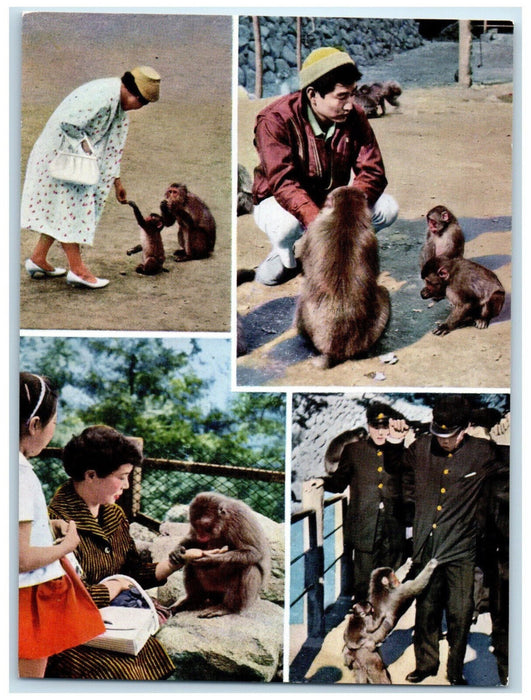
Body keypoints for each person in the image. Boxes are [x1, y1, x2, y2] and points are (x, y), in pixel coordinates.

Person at [45, 425, 186, 680]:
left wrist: (175, 563)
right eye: (121, 477)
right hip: (69, 630)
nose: (127, 484)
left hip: (116, 622)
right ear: (91, 475)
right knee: (117, 672)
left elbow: (130, 571)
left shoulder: (114, 514)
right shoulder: (54, 522)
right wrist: (116, 587)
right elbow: (64, 600)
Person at [250, 46, 398, 285]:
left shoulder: (355, 116)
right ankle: (285, 257)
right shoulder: (274, 120)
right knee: (280, 245)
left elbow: (372, 171)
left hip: (329, 202)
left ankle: (345, 249)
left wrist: (345, 209)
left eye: (352, 93)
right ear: (312, 95)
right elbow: (283, 183)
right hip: (281, 202)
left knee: (387, 208)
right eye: (342, 96)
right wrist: (320, 224)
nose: (350, 104)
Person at [386, 395, 504, 685]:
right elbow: (395, 468)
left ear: (464, 430)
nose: (442, 441)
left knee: (460, 613)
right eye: (438, 433)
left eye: (449, 436)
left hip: (462, 550)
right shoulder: (420, 447)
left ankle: (455, 671)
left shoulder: (484, 451)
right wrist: (392, 442)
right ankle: (425, 665)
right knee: (425, 611)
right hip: (426, 547)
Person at [21, 66, 161, 289]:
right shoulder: (103, 96)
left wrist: (117, 181)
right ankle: (78, 271)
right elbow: (68, 122)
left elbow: (114, 146)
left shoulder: (119, 110)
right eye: (140, 102)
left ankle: (38, 258)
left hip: (78, 161)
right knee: (70, 210)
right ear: (131, 91)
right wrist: (86, 147)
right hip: (60, 156)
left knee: (63, 209)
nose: (138, 108)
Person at [18, 373, 105, 678]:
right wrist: (67, 546)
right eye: (53, 422)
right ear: (35, 425)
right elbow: (20, 559)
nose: (54, 429)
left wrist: (44, 525)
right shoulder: (20, 475)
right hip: (25, 600)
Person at [319, 402, 409, 602]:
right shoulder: (353, 450)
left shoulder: (399, 451)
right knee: (363, 580)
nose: (379, 432)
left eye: (384, 427)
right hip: (364, 525)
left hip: (393, 524)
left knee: (388, 577)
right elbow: (339, 482)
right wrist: (321, 482)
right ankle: (362, 616)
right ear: (368, 426)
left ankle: (382, 619)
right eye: (375, 426)